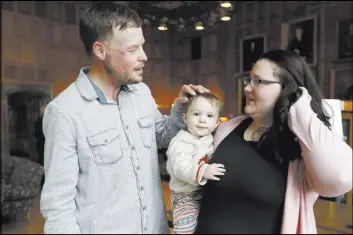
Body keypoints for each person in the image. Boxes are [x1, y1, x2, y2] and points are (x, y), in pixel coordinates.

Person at [40, 3, 209, 234]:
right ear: (100, 51)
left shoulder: (141, 93)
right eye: (133, 50)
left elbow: (161, 135)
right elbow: (57, 206)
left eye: (142, 47)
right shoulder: (64, 113)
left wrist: (181, 111)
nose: (144, 57)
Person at [195, 49, 352, 234]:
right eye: (249, 79)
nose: (246, 87)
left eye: (258, 81)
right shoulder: (227, 129)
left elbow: (341, 179)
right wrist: (185, 111)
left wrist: (301, 109)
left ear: (286, 89)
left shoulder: (300, 147)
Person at [166, 93, 225, 234]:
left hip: (203, 193)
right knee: (185, 230)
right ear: (185, 118)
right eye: (196, 114)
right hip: (185, 196)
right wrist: (203, 171)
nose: (202, 120)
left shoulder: (209, 138)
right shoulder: (181, 141)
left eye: (209, 116)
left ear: (217, 123)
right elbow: (180, 168)